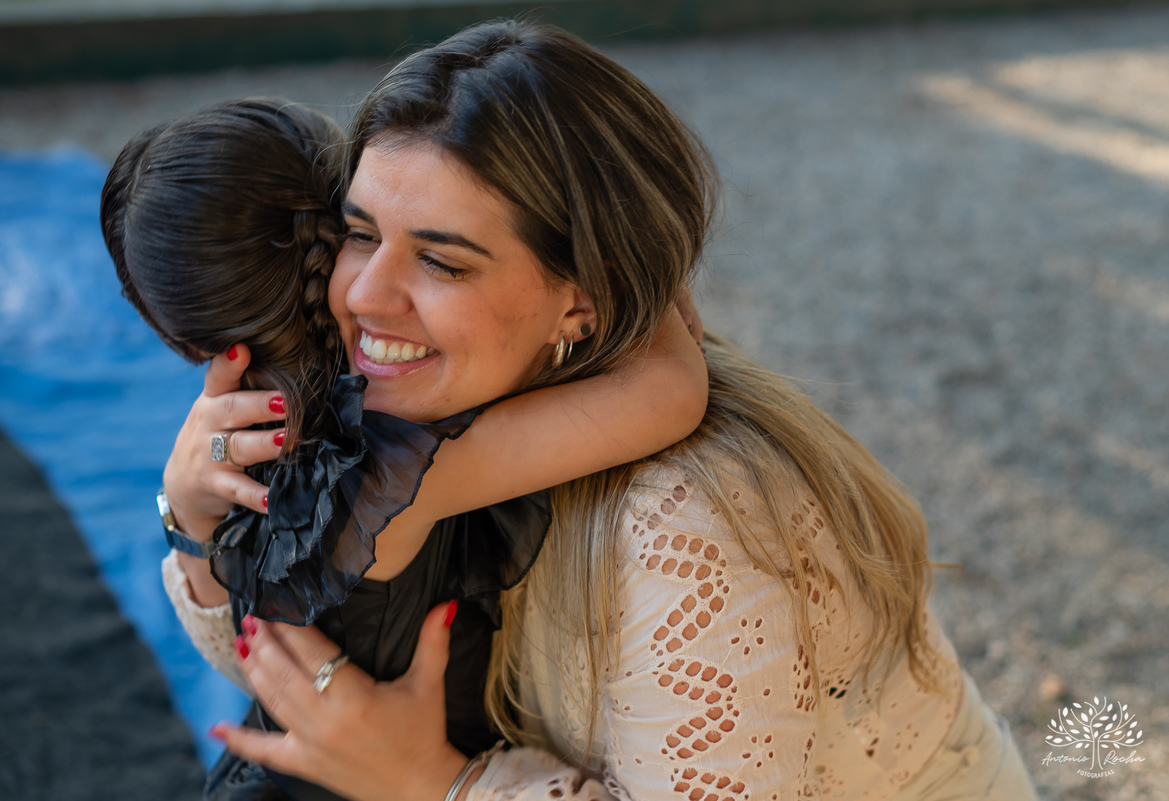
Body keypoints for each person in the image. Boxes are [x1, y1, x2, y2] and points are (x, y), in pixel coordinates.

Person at [161, 21, 1039, 801]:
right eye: (359, 233)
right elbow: (301, 669)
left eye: (444, 262)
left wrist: (432, 780)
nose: (364, 295)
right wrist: (195, 526)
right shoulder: (410, 407)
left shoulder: (690, 520)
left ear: (581, 302)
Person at [100, 98, 708, 800]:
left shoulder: (262, 452)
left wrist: (184, 512)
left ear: (190, 345)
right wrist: (609, 273)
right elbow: (669, 393)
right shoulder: (393, 464)